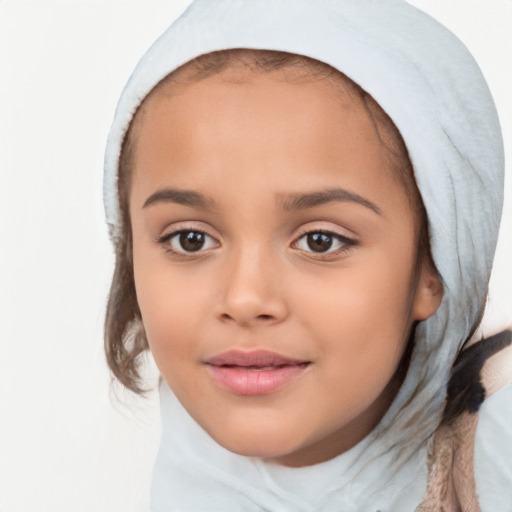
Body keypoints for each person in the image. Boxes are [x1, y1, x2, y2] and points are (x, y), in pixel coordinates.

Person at [102, 1, 512, 510]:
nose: (246, 299)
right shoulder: (193, 466)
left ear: (432, 266)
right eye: (191, 239)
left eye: (321, 240)